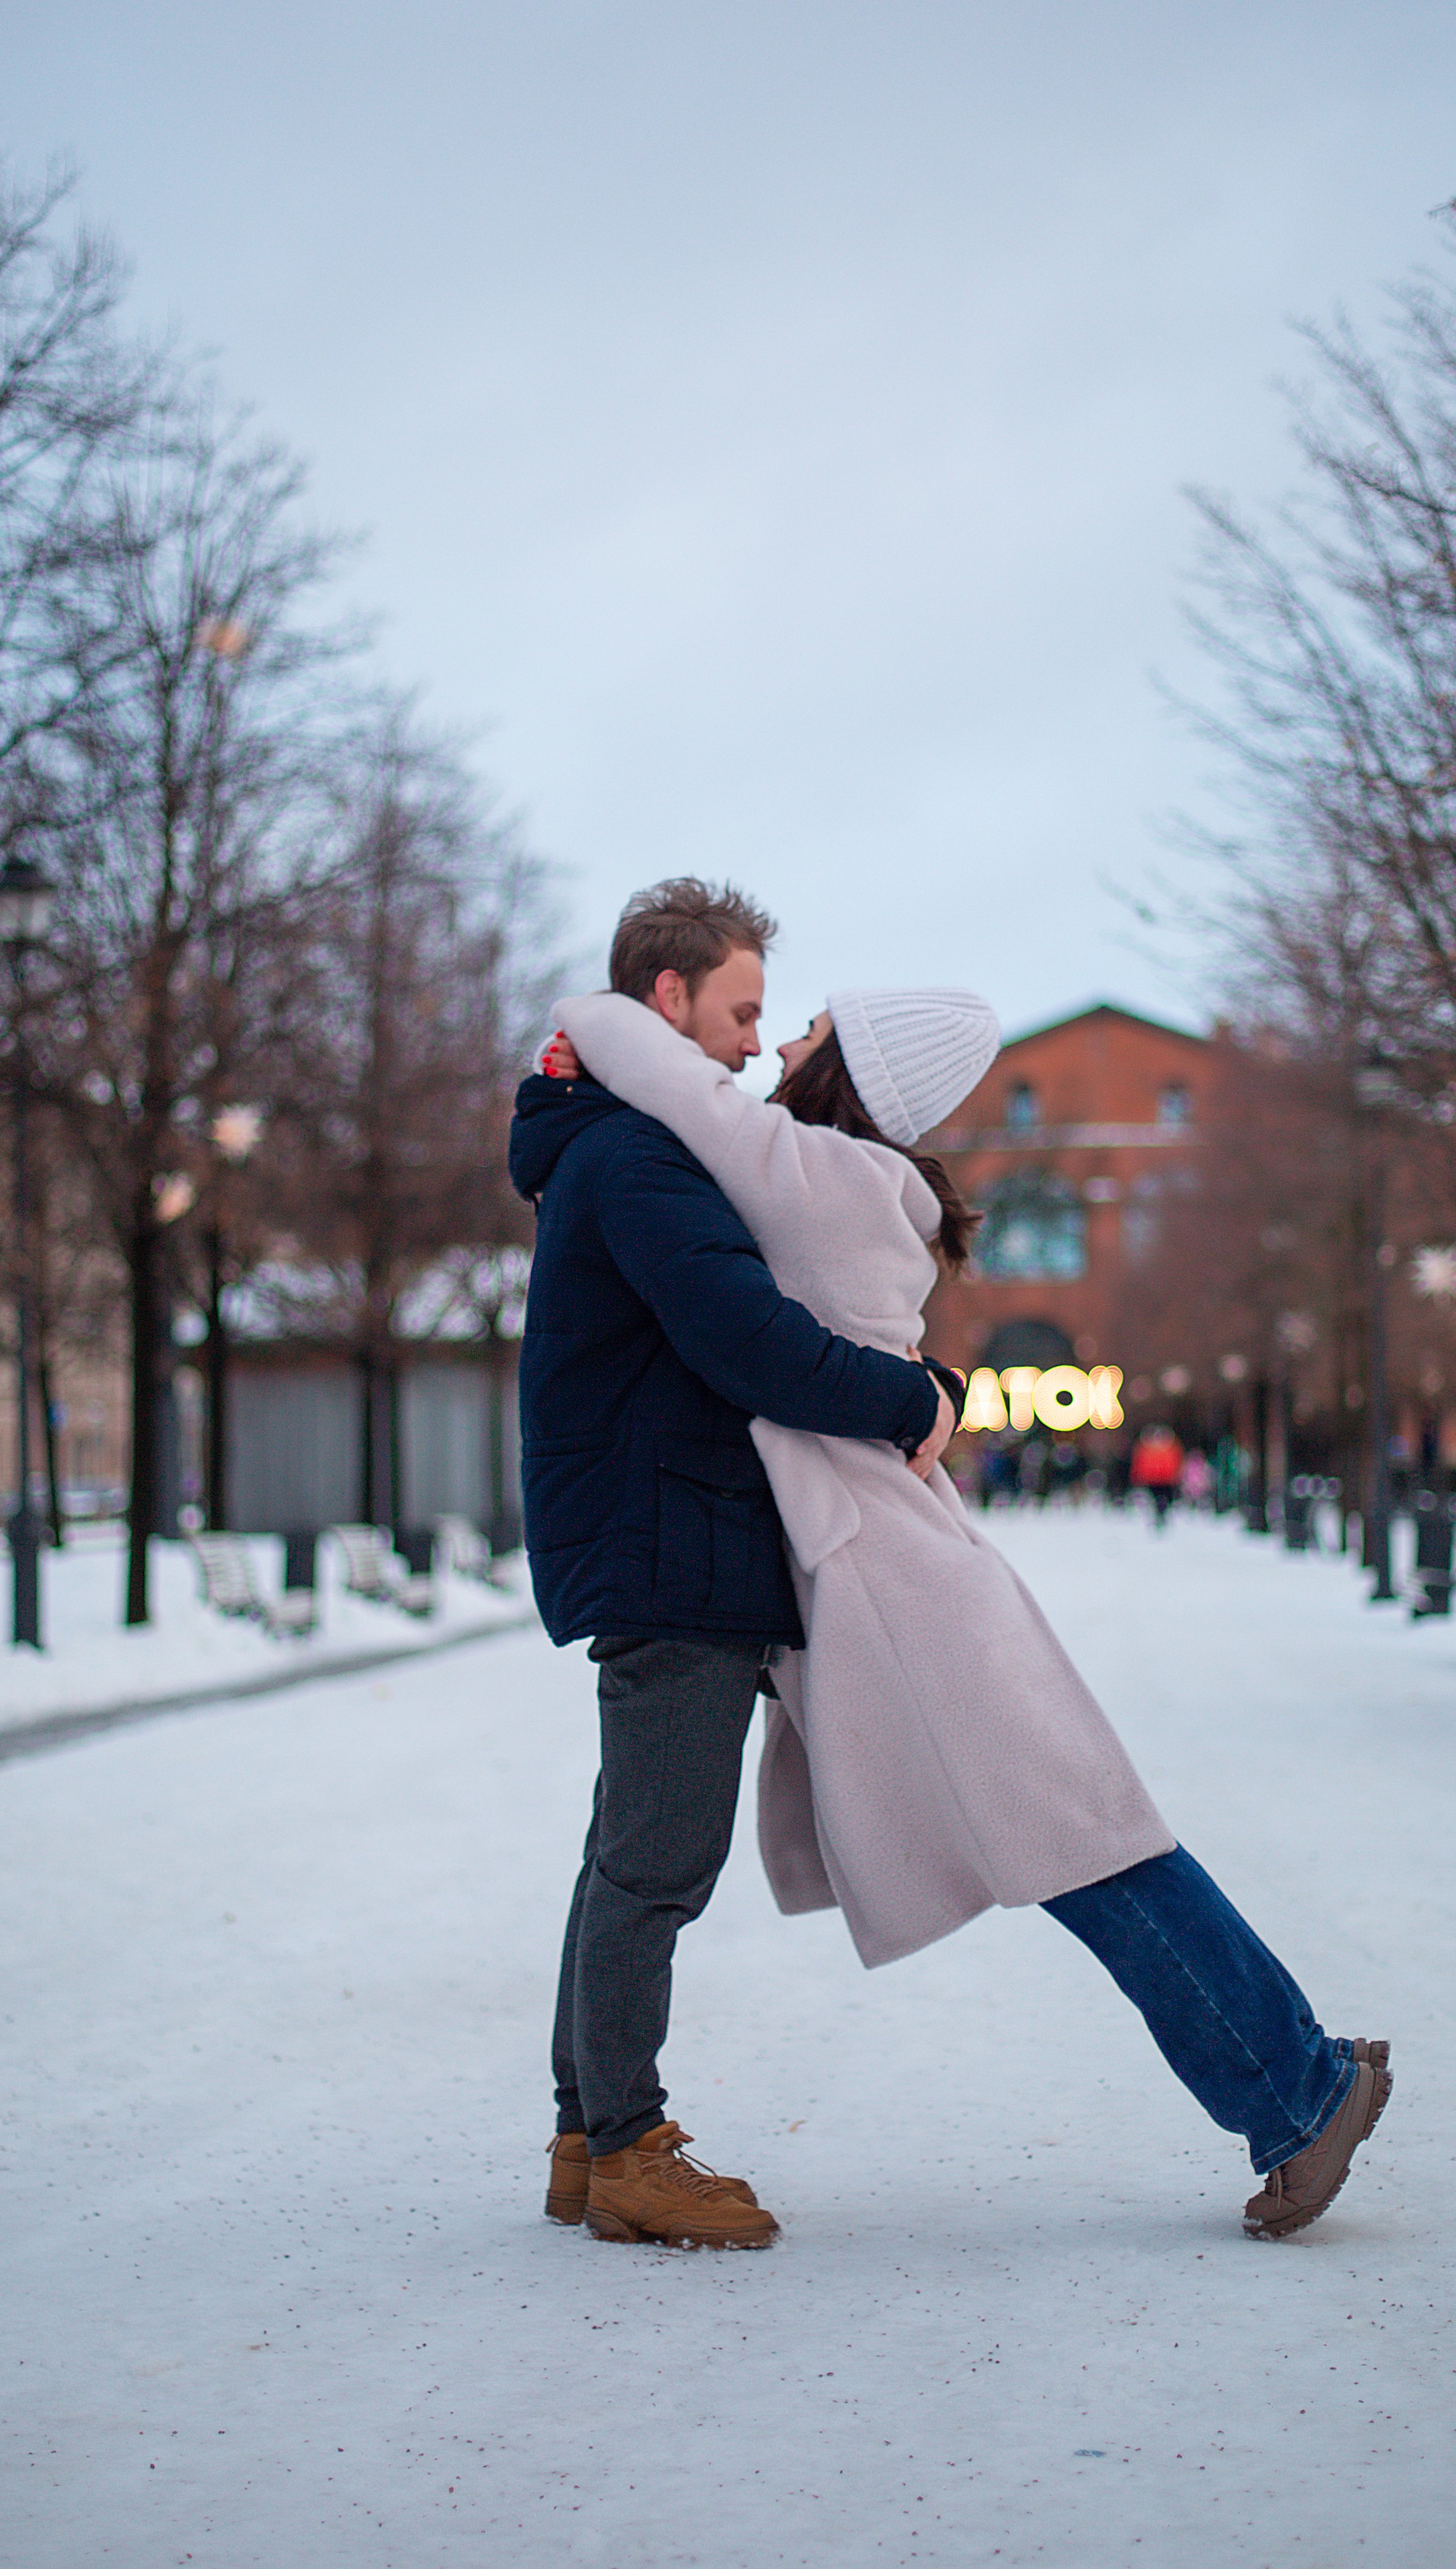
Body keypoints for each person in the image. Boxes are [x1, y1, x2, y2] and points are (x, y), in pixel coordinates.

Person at [542, 981, 1392, 2245]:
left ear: (854, 1078)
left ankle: (1302, 2086)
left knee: (1089, 1841)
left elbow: (666, 1082)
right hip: (899, 1568)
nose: (778, 1047)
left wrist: (585, 1026)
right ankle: (1296, 2078)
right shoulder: (853, 1177)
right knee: (1091, 1836)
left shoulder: (812, 1171)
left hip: (898, 1588)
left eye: (810, 1031)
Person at [509, 881, 959, 2253]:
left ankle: (588, 2137)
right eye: (744, 1010)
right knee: (655, 1860)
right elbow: (747, 1336)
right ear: (668, 1000)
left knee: (623, 1856)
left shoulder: (621, 1144)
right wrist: (913, 1398)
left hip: (667, 1528)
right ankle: (630, 2144)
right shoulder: (639, 1163)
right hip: (670, 1539)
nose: (762, 1047)